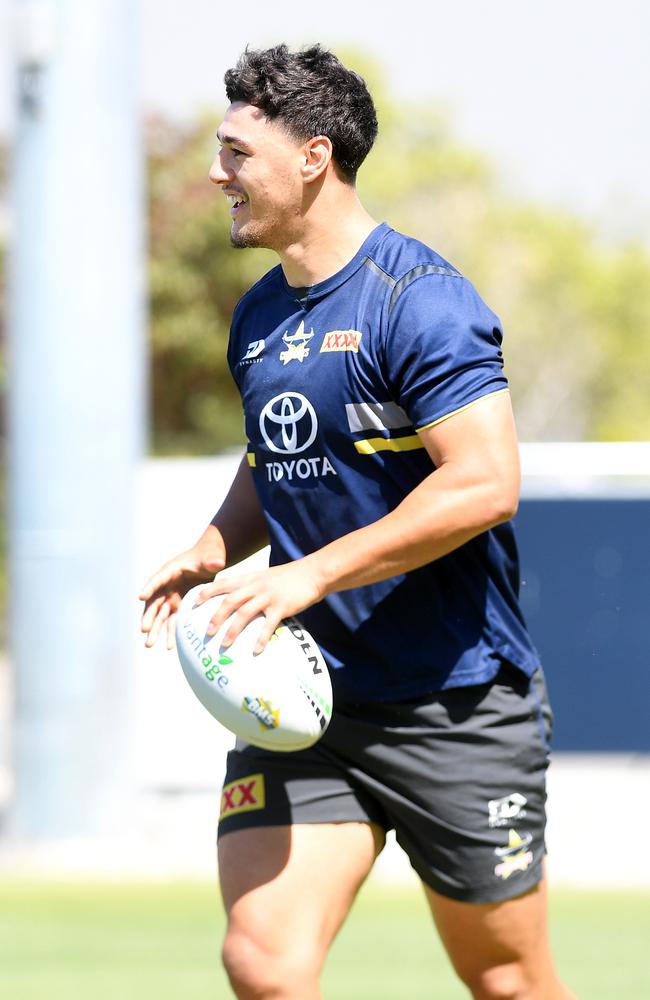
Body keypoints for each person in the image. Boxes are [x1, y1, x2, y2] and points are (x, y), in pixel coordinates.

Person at [140, 44, 575, 1000]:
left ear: (313, 156)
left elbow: (485, 484)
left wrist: (310, 573)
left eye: (236, 152)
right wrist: (216, 546)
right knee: (264, 962)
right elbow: (279, 454)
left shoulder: (422, 302)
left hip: (453, 703)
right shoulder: (259, 316)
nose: (217, 174)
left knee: (509, 981)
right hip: (304, 705)